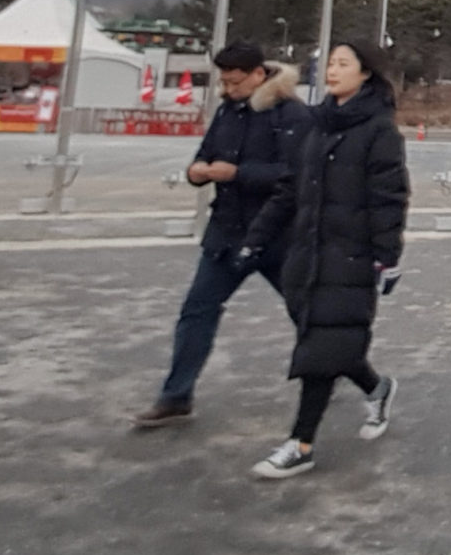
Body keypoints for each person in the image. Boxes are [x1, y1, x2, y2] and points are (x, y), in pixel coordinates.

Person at [240, 37, 408, 479]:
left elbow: (389, 199)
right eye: (329, 63)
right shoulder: (316, 126)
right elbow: (288, 190)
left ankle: (301, 444)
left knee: (321, 348)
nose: (331, 71)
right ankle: (377, 387)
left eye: (342, 63)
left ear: (365, 73)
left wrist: (387, 258)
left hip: (351, 258)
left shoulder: (379, 131)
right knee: (331, 341)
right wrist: (256, 237)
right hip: (307, 255)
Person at [130, 40, 309, 428]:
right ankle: (176, 396)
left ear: (259, 75)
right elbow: (207, 151)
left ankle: (341, 367)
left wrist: (239, 174)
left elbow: (297, 175)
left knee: (308, 311)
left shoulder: (291, 113)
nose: (228, 90)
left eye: (235, 83)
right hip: (225, 233)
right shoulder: (227, 110)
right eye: (224, 83)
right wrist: (196, 171)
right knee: (197, 311)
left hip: (277, 235)